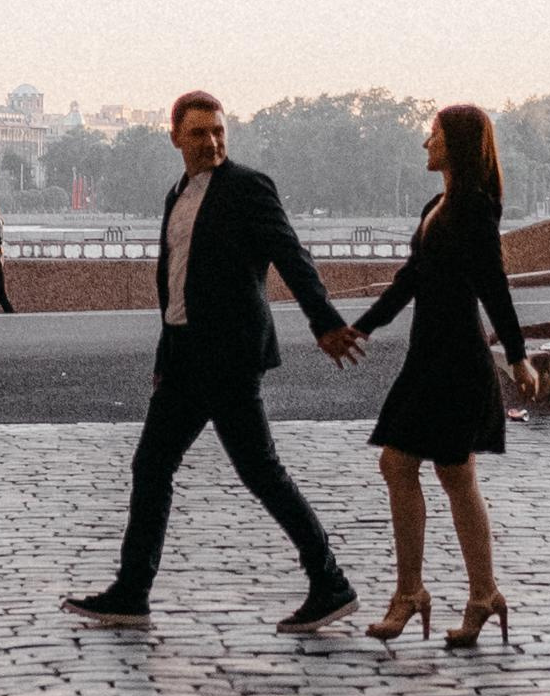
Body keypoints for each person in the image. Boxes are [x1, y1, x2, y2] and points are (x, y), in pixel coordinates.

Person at [65, 90, 365, 634]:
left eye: (219, 132)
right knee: (152, 467)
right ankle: (132, 593)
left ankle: (330, 582)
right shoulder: (175, 195)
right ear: (175, 136)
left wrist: (324, 322)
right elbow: (174, 284)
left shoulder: (247, 186)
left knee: (260, 472)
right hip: (183, 359)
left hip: (228, 358)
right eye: (200, 133)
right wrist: (165, 353)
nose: (212, 143)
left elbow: (290, 256)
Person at [349, 103, 538, 649]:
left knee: (425, 469)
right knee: (435, 472)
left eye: (432, 134)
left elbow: (493, 286)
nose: (424, 144)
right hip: (429, 356)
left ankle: (424, 593)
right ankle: (471, 593)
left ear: (453, 144)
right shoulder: (440, 205)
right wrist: (362, 327)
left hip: (455, 361)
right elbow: (411, 279)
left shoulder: (474, 208)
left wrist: (519, 356)